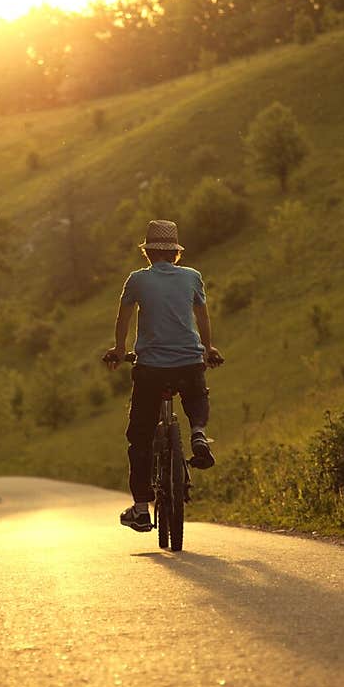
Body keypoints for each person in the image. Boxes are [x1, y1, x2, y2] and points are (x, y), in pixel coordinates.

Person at [104, 218, 223, 532]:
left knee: (139, 437)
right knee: (197, 396)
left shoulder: (137, 280)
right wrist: (208, 348)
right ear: (175, 253)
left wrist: (118, 349)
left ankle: (142, 508)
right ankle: (198, 432)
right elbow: (202, 317)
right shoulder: (193, 277)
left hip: (151, 368)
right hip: (188, 362)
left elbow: (123, 319)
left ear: (148, 253)